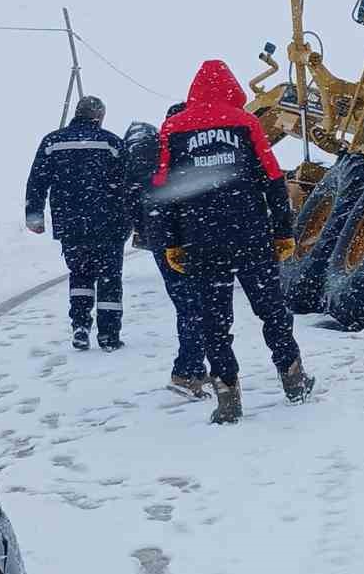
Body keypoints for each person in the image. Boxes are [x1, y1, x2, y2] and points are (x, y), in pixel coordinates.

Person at [148, 60, 311, 424]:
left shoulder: (173, 128)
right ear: (231, 88)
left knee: (213, 323)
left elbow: (164, 189)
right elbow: (273, 179)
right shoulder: (246, 122)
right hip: (250, 236)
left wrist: (171, 241)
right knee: (272, 311)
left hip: (201, 242)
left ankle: (227, 397)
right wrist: (283, 231)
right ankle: (293, 378)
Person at [25, 94, 131, 350]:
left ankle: (80, 327)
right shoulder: (111, 143)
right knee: (109, 279)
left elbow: (37, 182)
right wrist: (134, 218)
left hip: (70, 225)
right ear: (99, 116)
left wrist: (34, 215)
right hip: (108, 225)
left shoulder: (52, 142)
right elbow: (128, 184)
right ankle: (108, 336)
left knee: (80, 276)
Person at [125, 113, 207, 396]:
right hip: (183, 239)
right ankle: (185, 372)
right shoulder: (182, 154)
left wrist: (145, 230)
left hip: (162, 237)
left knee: (189, 305)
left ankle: (195, 369)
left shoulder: (152, 156)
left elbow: (134, 199)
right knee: (194, 306)